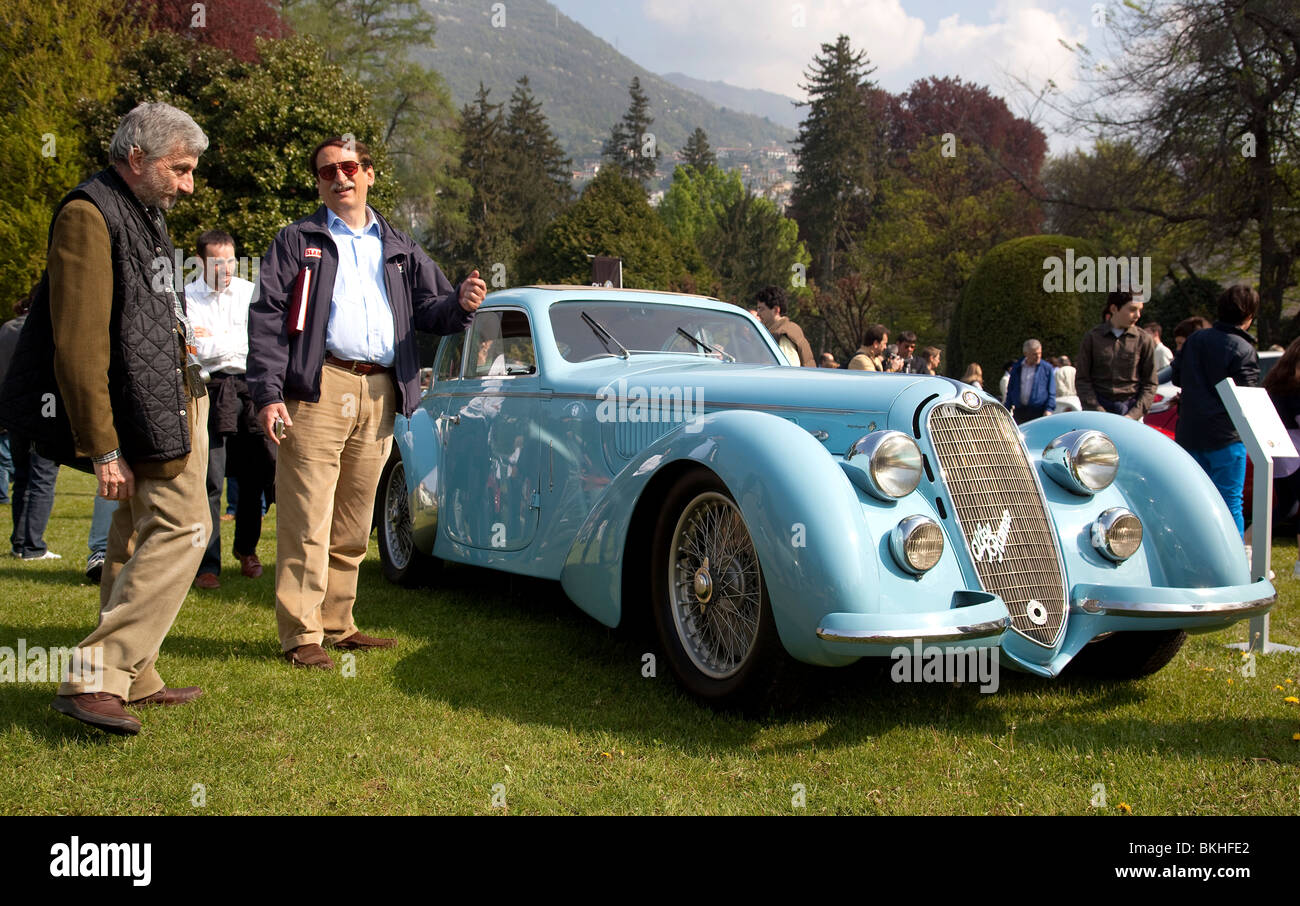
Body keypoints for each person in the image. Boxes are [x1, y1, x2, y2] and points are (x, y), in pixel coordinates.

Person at [0, 102, 211, 735]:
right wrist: (102, 447)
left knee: (130, 536)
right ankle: (96, 674)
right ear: (137, 158)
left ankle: (136, 676)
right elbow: (78, 342)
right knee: (185, 528)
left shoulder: (141, 211)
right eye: (180, 169)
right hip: (140, 411)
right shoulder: (88, 215)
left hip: (166, 397)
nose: (188, 185)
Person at [248, 135, 485, 670]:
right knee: (307, 515)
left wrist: (463, 303)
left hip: (381, 389)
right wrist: (266, 394)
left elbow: (432, 309)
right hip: (316, 386)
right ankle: (301, 635)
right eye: (327, 171)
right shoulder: (297, 240)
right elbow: (266, 318)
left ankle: (337, 622)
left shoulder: (400, 245)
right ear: (320, 183)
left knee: (355, 520)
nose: (339, 177)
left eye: (349, 166)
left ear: (370, 174)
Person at [186, 229, 274, 590]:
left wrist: (214, 342)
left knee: (255, 477)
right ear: (200, 262)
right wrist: (229, 344)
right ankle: (207, 564)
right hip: (210, 390)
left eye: (230, 261)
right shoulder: (187, 294)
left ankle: (247, 549)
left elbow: (258, 343)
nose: (225, 269)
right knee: (210, 481)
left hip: (249, 390)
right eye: (216, 262)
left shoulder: (249, 291)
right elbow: (194, 349)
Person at [1171, 285, 1260, 536]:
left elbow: (1177, 377)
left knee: (1192, 503)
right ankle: (1233, 568)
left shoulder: (1194, 340)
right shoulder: (1244, 349)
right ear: (1249, 315)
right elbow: (1247, 397)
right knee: (1230, 503)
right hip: (1226, 439)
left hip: (1189, 434)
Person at [0, 292, 62, 559]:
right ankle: (31, 545)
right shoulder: (48, 329)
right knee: (42, 478)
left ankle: (20, 542)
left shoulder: (6, 329)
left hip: (14, 411)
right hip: (43, 409)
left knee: (23, 477)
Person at [1076, 289, 1158, 419]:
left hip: (1131, 412)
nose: (1137, 315)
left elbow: (1150, 383)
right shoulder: (1092, 338)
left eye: (1140, 310)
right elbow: (1082, 380)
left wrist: (1133, 415)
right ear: (1114, 308)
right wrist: (1097, 410)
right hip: (1097, 411)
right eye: (1132, 309)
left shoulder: (1144, 340)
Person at [1262, 335, 1300, 577]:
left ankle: (1247, 543)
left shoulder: (1276, 382)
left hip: (1279, 454)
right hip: (1295, 454)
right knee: (1287, 506)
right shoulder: (1295, 389)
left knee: (1286, 506)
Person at [753, 286, 814, 367]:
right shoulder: (788, 329)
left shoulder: (782, 335)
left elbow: (789, 370)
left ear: (776, 310)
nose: (758, 313)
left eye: (761, 309)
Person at [1004, 339, 1057, 423]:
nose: (1038, 356)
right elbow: (1011, 390)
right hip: (1020, 412)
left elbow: (1052, 391)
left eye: (1040, 353)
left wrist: (1049, 409)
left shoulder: (1047, 368)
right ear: (1026, 354)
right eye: (1035, 354)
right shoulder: (1017, 368)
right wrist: (1006, 409)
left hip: (1039, 412)